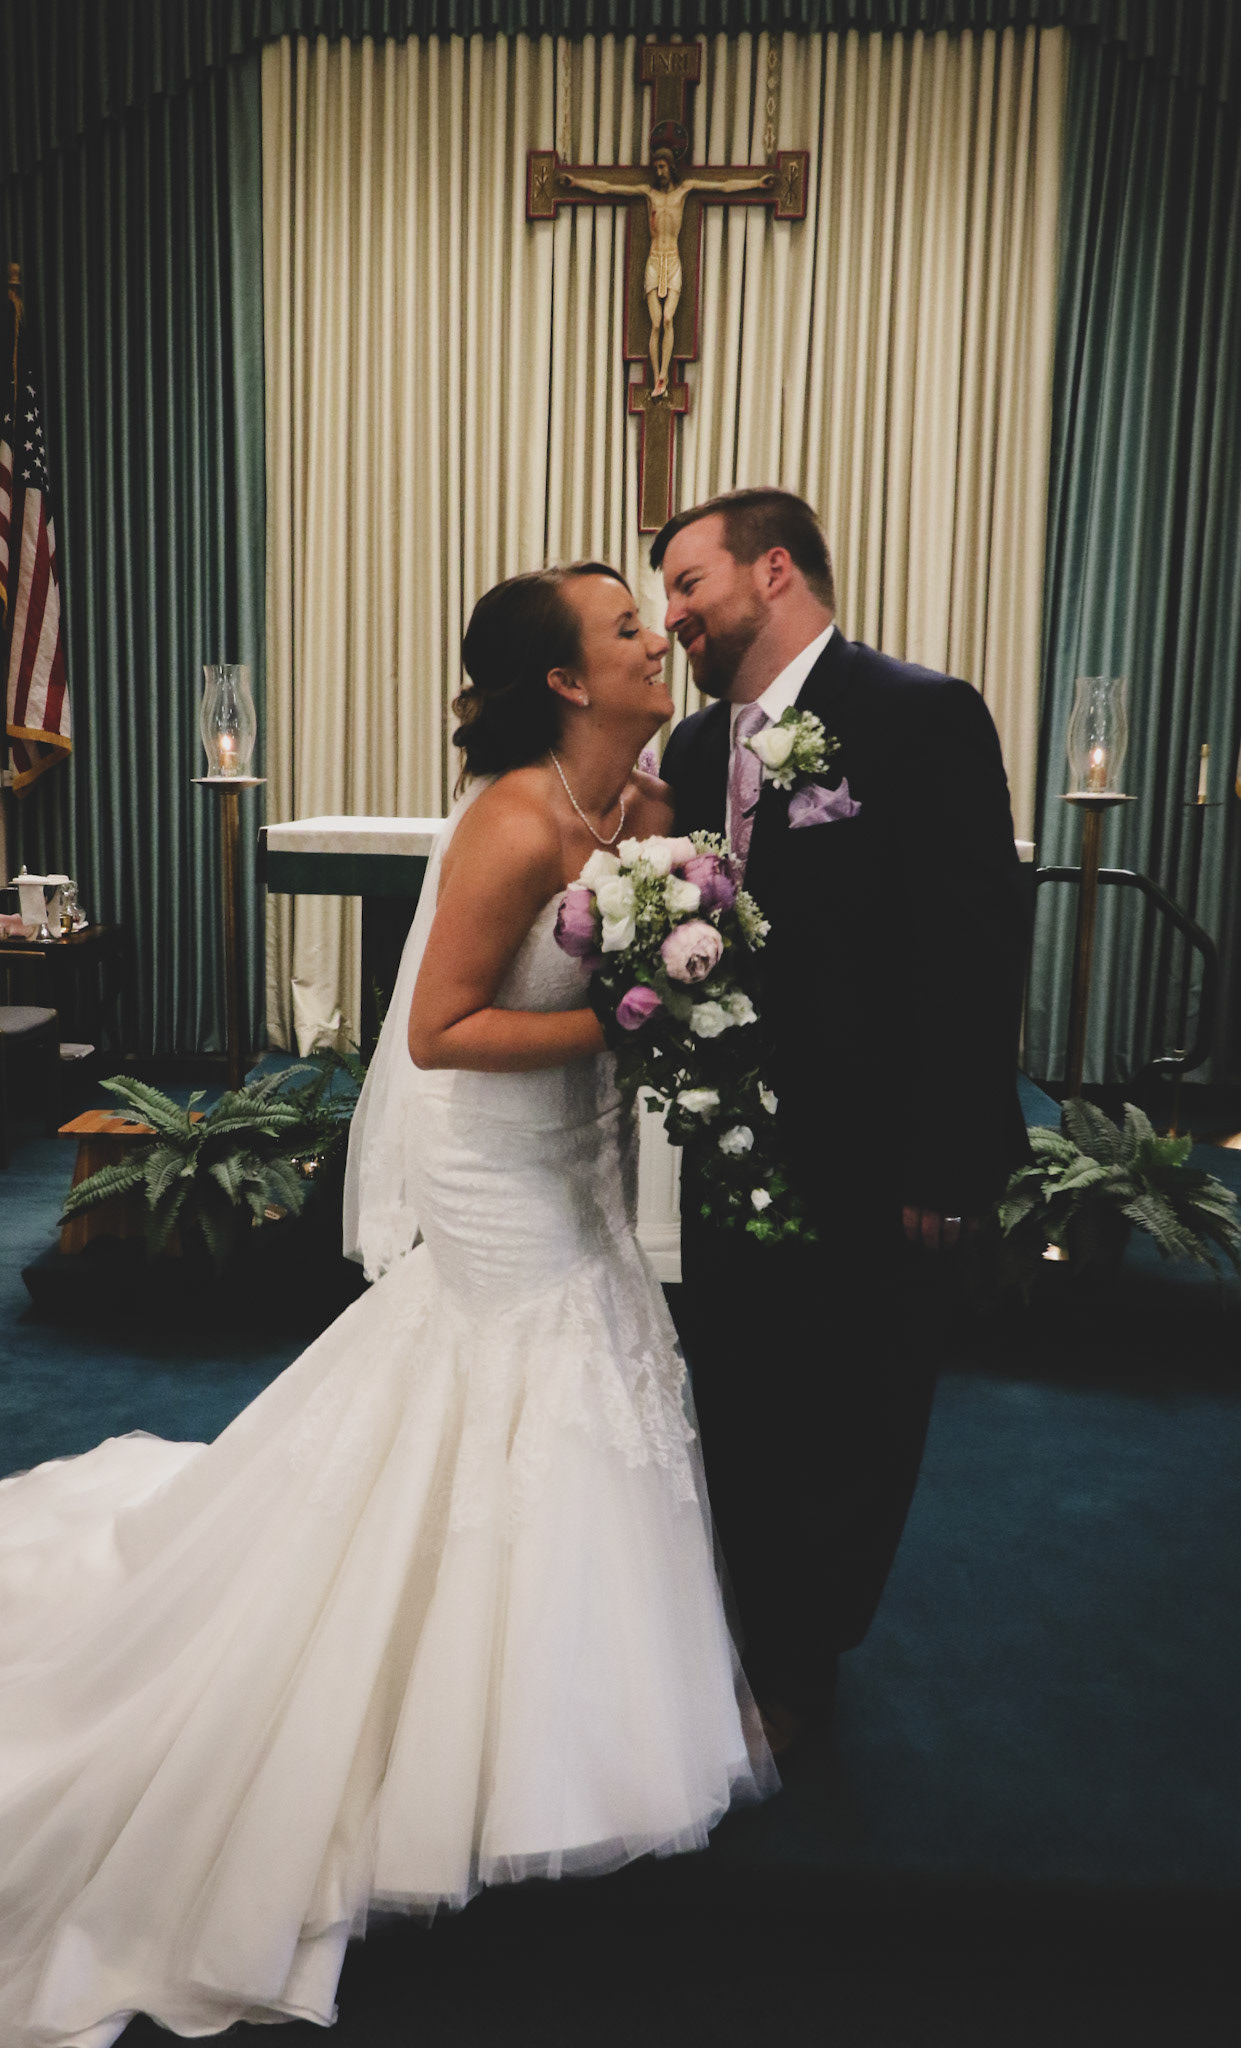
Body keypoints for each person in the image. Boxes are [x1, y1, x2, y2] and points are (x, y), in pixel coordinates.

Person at [0, 562, 774, 2047]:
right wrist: (621, 1020)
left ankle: (558, 1720)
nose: (654, 640)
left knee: (596, 1364)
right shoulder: (513, 821)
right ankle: (456, 1750)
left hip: (585, 1157)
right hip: (496, 1163)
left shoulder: (649, 809)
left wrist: (670, 999)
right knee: (518, 1377)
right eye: (626, 629)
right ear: (565, 680)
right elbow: (439, 1029)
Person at [652, 488, 1030, 1755]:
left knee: (853, 1417)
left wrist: (947, 1158)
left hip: (877, 1158)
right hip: (731, 1151)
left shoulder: (919, 714)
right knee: (739, 1401)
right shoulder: (693, 751)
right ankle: (746, 1632)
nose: (673, 614)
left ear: (772, 570)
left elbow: (974, 950)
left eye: (689, 583)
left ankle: (803, 1670)